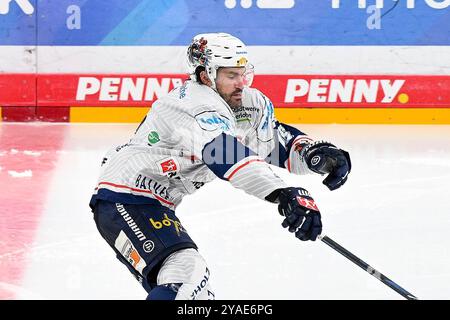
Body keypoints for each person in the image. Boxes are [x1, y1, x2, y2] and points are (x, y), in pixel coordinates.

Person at [89, 32, 351, 300]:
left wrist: (313, 154)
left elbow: (271, 143)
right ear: (206, 76)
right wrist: (282, 193)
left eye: (244, 73)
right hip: (125, 197)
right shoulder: (191, 102)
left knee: (194, 293)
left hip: (151, 204)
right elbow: (225, 154)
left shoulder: (246, 103)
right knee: (186, 278)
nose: (241, 83)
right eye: (231, 75)